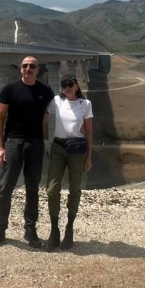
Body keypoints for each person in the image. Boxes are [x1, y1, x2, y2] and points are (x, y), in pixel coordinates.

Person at [0, 56, 55, 249]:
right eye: (25, 66)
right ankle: (0, 230)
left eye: (32, 66)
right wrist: (0, 147)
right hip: (13, 142)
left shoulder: (45, 91)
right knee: (5, 187)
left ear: (38, 69)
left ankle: (30, 230)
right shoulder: (9, 90)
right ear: (20, 69)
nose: (28, 68)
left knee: (33, 188)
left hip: (35, 143)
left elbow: (50, 111)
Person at [44, 75, 93, 252]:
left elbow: (89, 131)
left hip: (77, 149)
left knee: (75, 188)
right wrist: (43, 139)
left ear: (77, 86)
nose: (67, 87)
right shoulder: (56, 101)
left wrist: (89, 157)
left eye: (70, 84)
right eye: (64, 85)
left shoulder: (85, 104)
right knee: (51, 189)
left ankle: (69, 228)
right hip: (58, 147)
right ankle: (54, 230)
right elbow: (42, 115)